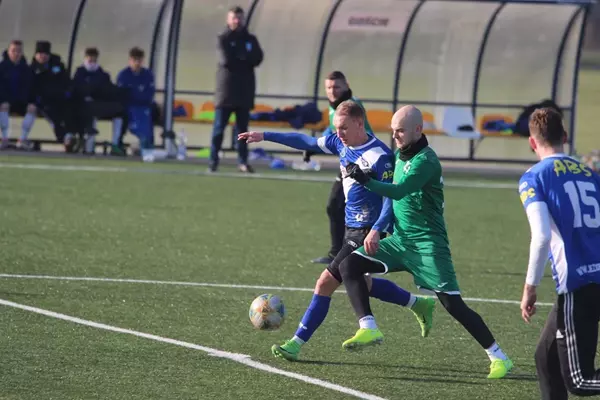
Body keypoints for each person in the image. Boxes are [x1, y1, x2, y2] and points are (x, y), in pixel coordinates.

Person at [238, 100, 435, 362]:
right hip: (350, 228)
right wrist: (264, 135)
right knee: (362, 283)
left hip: (367, 230)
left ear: (359, 123)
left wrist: (377, 230)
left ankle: (299, 343)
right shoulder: (339, 143)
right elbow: (306, 141)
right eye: (336, 128)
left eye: (343, 127)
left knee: (326, 282)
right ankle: (418, 303)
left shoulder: (380, 156)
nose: (338, 133)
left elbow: (391, 199)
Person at [343, 105, 513, 379]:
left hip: (428, 246)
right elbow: (391, 201)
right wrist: (377, 228)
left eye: (400, 131)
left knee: (453, 305)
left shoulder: (427, 161)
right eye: (393, 130)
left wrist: (366, 181)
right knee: (349, 266)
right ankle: (369, 327)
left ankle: (499, 357)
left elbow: (399, 191)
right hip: (400, 242)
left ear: (418, 130)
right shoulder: (400, 156)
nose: (395, 136)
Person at [518, 108, 600, 399]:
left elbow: (541, 236)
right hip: (595, 277)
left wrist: (530, 288)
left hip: (577, 284)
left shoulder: (534, 177)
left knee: (580, 381)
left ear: (532, 142)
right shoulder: (591, 174)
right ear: (564, 136)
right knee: (546, 358)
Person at [310, 71, 374, 265]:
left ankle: (351, 253)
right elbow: (332, 130)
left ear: (346, 85)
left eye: (337, 86)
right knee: (337, 206)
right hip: (350, 162)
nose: (332, 91)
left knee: (353, 209)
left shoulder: (350, 106)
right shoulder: (335, 107)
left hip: (363, 162)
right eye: (329, 87)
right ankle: (341, 253)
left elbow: (358, 133)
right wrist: (314, 146)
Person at [210, 5, 263, 173]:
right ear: (228, 19)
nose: (237, 21)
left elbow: (258, 58)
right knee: (219, 129)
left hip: (244, 92)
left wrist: (241, 57)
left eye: (239, 18)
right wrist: (245, 59)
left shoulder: (250, 39)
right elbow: (226, 60)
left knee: (243, 131)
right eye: (234, 18)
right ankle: (213, 161)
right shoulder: (223, 38)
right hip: (225, 92)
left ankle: (242, 162)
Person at [72, 47, 125, 153]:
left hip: (99, 105)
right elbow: (77, 90)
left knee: (120, 112)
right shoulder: (79, 74)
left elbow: (108, 90)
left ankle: (115, 144)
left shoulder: (103, 75)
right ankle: (89, 147)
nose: (92, 61)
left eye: (94, 59)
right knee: (90, 113)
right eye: (89, 59)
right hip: (84, 106)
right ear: (85, 58)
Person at [31, 41, 76, 151]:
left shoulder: (58, 66)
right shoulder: (32, 69)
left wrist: (67, 93)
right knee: (52, 116)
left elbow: (67, 81)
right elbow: (31, 88)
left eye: (45, 53)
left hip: (60, 99)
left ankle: (72, 136)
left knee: (70, 110)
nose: (42, 56)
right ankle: (66, 138)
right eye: (40, 54)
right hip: (43, 102)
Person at [112, 47, 155, 157]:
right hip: (128, 106)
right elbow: (122, 94)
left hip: (144, 106)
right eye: (134, 60)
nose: (137, 63)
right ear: (130, 60)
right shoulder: (123, 75)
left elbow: (149, 93)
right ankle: (118, 144)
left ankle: (147, 143)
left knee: (152, 113)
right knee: (124, 114)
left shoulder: (148, 75)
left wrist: (141, 99)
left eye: (139, 60)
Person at [0, 40, 36, 150]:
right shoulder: (2, 67)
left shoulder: (27, 69)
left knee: (32, 108)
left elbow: (30, 88)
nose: (16, 53)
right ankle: (4, 139)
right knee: (4, 106)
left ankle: (22, 139)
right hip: (5, 101)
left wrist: (30, 102)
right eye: (13, 50)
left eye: (19, 51)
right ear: (8, 51)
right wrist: (4, 100)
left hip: (21, 102)